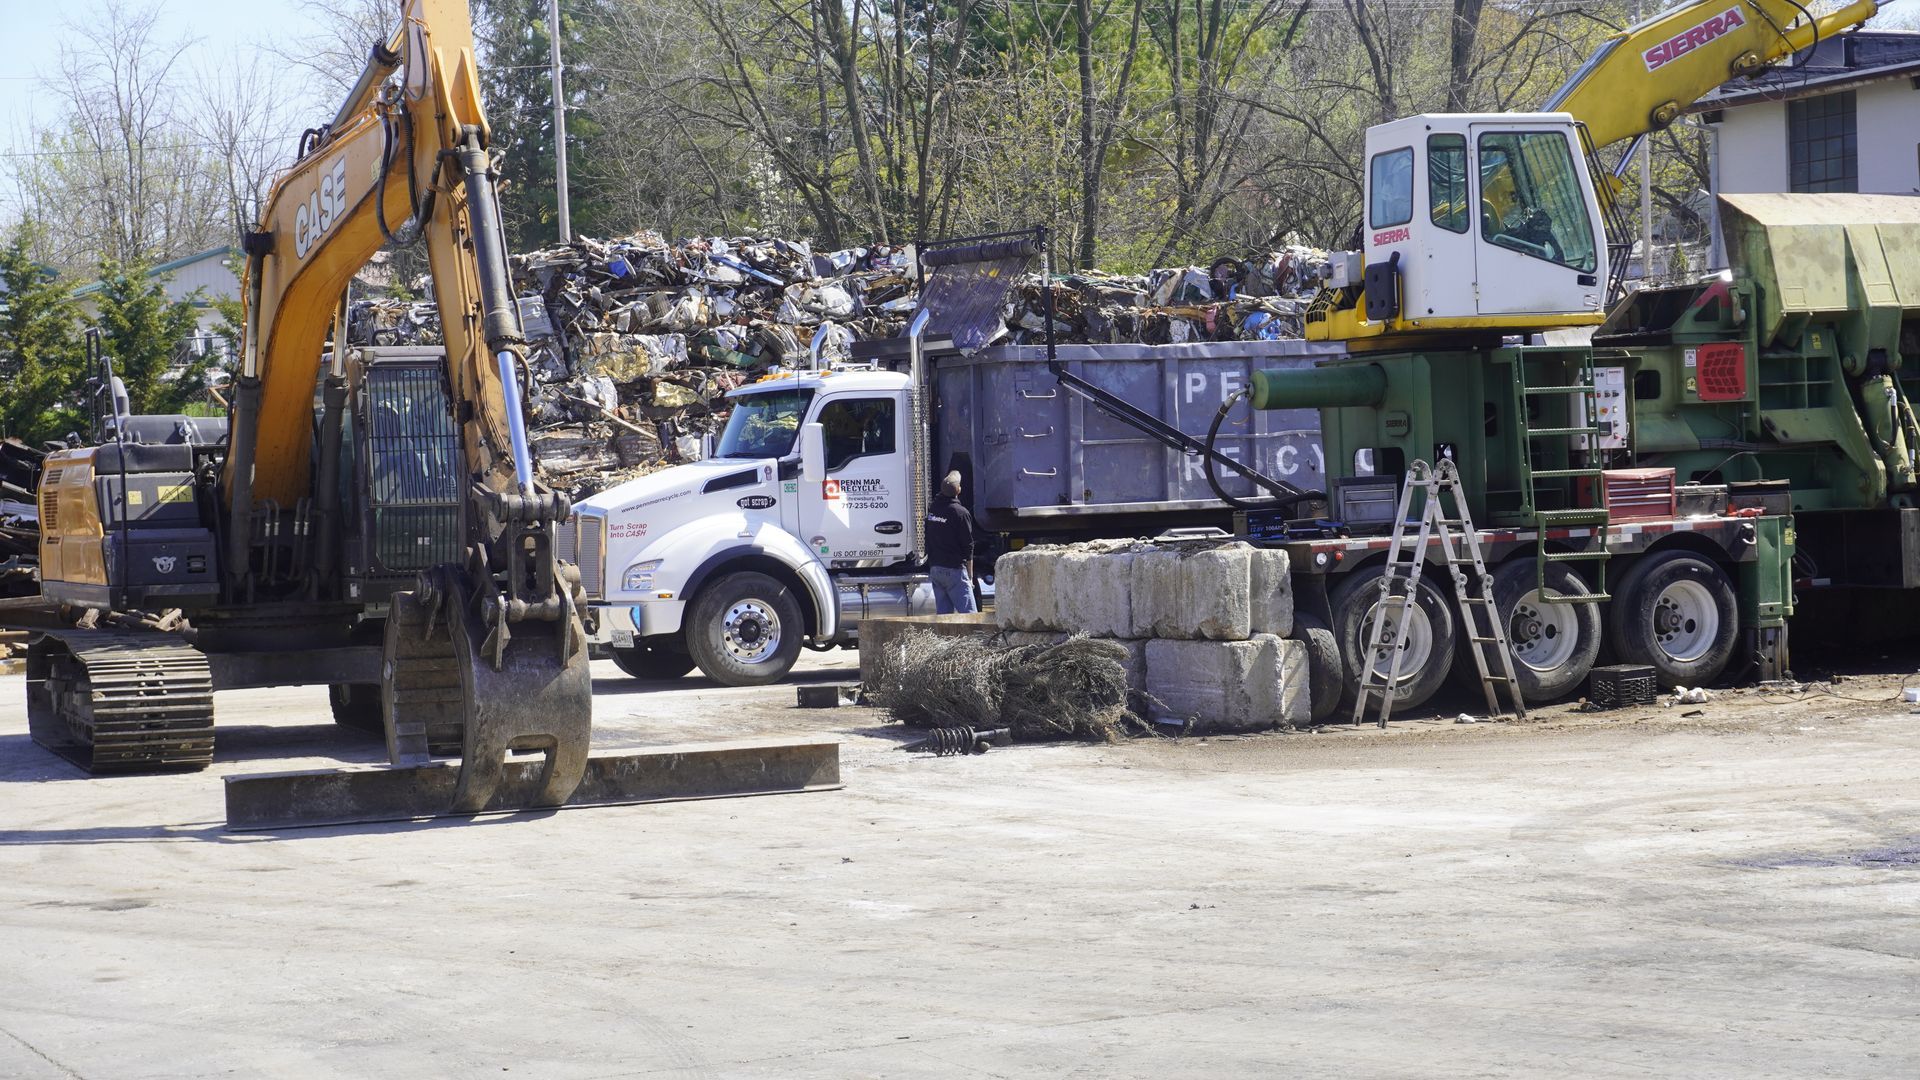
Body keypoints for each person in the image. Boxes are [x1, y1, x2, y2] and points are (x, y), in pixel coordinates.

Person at [925, 471, 977, 614]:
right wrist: (970, 576)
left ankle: (944, 637)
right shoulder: (961, 513)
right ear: (959, 490)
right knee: (970, 618)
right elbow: (968, 546)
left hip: (936, 569)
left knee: (944, 619)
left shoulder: (933, 508)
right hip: (954, 571)